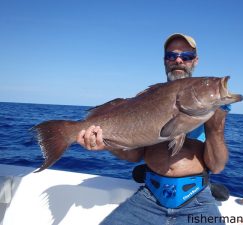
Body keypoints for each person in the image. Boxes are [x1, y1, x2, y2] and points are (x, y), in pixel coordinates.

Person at [77, 33, 229, 225]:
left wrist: (216, 130)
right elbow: (134, 156)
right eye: (171, 56)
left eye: (187, 56)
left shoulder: (212, 107)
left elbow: (216, 166)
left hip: (197, 199)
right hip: (149, 196)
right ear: (165, 61)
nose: (178, 60)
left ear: (195, 61)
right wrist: (107, 144)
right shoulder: (145, 99)